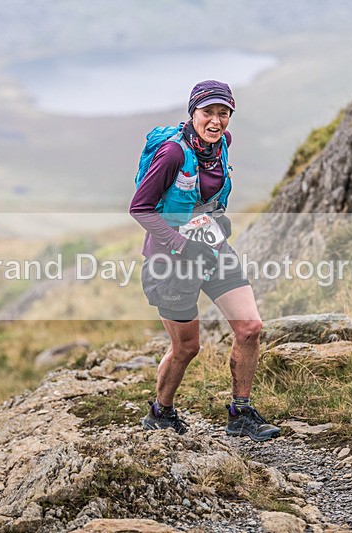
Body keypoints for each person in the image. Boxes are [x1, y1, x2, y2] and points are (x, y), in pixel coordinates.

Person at [129, 79, 280, 442]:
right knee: (186, 348)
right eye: (207, 112)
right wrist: (181, 244)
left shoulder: (223, 144)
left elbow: (208, 195)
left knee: (250, 328)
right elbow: (140, 208)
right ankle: (160, 413)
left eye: (223, 113)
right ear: (192, 113)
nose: (216, 121)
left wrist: (216, 219)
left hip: (212, 250)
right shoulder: (172, 155)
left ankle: (240, 413)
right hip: (171, 262)